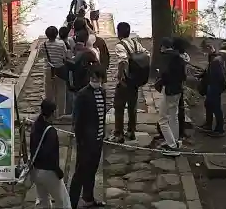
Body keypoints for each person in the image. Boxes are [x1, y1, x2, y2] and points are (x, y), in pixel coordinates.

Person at [69, 65, 107, 209]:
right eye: (92, 78)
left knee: (92, 170)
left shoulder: (102, 92)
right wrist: (80, 141)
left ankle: (88, 198)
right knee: (80, 173)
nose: (95, 81)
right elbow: (77, 120)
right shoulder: (83, 95)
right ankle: (71, 203)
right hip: (85, 142)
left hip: (98, 140)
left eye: (97, 79)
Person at [111, 21, 150, 143]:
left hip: (125, 80)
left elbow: (123, 60)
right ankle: (131, 131)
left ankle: (119, 133)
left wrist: (120, 74)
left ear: (119, 32)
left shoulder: (120, 45)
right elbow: (147, 54)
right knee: (132, 106)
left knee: (119, 106)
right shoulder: (135, 42)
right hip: (135, 79)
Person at [30, 99, 71, 209]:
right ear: (52, 113)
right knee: (63, 202)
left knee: (44, 202)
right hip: (48, 171)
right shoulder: (50, 131)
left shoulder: (35, 125)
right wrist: (58, 172)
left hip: (36, 170)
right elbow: (49, 155)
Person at [156, 37, 186, 156]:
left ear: (163, 46)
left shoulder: (165, 58)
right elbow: (183, 75)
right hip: (178, 90)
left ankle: (172, 146)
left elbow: (164, 75)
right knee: (174, 116)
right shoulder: (179, 57)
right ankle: (176, 140)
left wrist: (160, 80)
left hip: (169, 90)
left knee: (162, 119)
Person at [197, 43, 226, 137]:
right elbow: (209, 70)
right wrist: (202, 75)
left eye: (204, 50)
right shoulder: (212, 58)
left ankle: (219, 129)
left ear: (209, 48)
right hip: (211, 85)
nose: (204, 53)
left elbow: (220, 76)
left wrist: (216, 86)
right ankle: (208, 125)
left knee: (216, 107)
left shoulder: (216, 60)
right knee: (208, 105)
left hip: (214, 86)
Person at [41, 26, 67, 118]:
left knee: (49, 93)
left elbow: (39, 56)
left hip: (48, 70)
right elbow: (65, 56)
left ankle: (49, 113)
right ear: (57, 34)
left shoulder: (43, 45)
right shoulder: (61, 43)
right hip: (60, 69)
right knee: (61, 92)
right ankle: (60, 114)